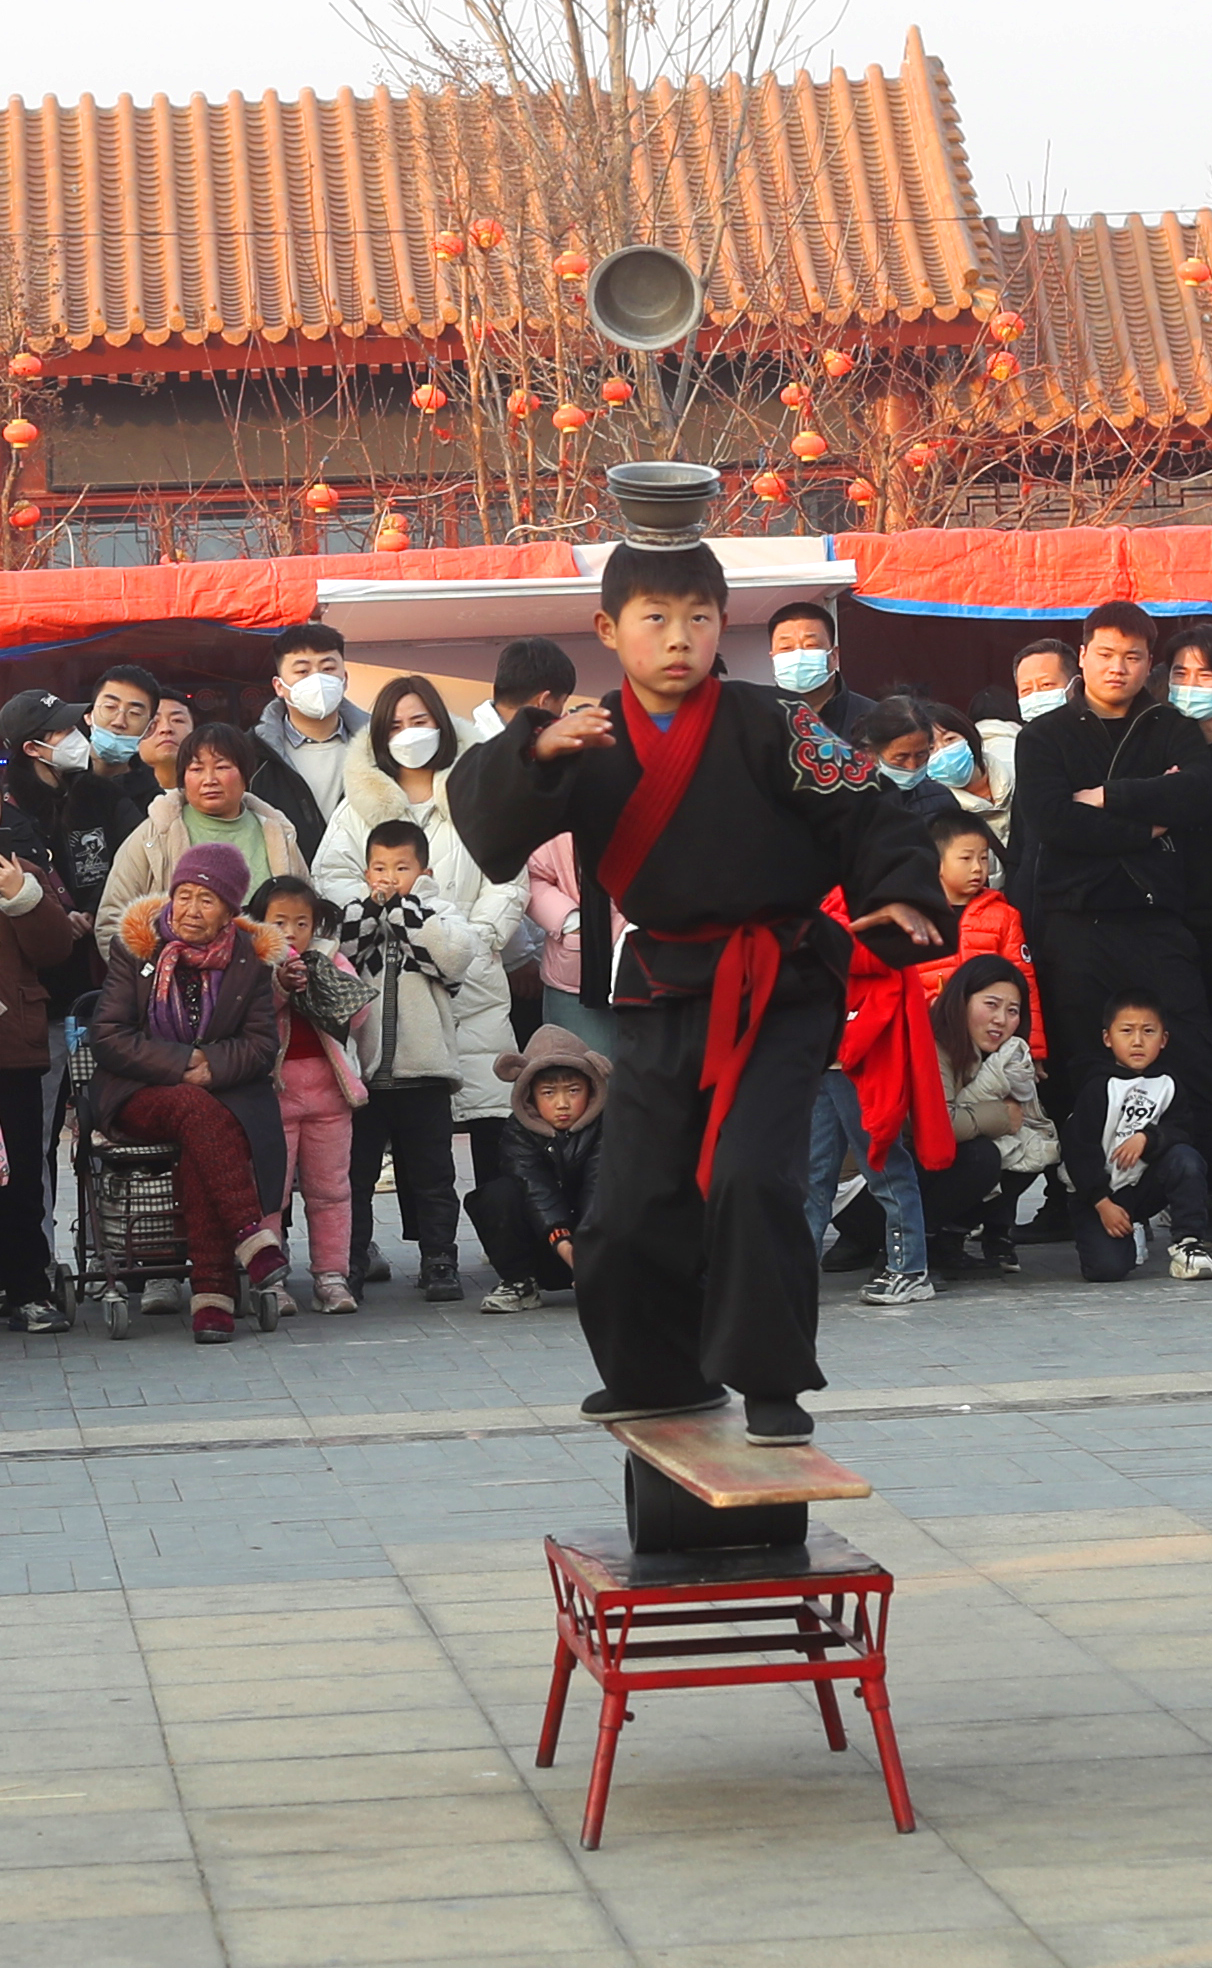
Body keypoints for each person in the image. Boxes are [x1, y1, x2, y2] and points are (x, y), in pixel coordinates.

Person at [447, 538, 954, 1447]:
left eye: (699, 618)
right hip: (660, 983)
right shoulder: (587, 736)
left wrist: (905, 892)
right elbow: (484, 822)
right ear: (609, 630)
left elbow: (867, 807)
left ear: (723, 625)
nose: (678, 638)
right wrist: (532, 750)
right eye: (654, 619)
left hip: (779, 980)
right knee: (632, 1195)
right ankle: (656, 1376)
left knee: (757, 1177)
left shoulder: (774, 722)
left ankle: (770, 1382)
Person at [1014, 600, 1212, 1162]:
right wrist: (1149, 823)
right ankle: (1077, 1191)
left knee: (1190, 1051)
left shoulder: (1171, 727)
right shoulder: (1046, 735)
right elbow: (1053, 821)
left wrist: (1109, 797)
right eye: (1104, 654)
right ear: (1082, 655)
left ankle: (1192, 1183)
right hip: (1075, 921)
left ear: (1150, 663)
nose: (1116, 668)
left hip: (1157, 919)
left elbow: (1196, 793)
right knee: (1081, 1060)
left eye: (1131, 656)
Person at [312, 676, 527, 1190]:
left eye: (420, 721)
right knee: (414, 1125)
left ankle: (504, 1242)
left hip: (471, 976)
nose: (409, 734)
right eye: (396, 726)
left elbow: (509, 873)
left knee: (490, 1112)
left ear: (442, 725)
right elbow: (332, 878)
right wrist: (383, 915)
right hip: (395, 986)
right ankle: (432, 1251)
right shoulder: (356, 809)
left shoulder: (479, 797)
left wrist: (477, 937)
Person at [89, 845, 290, 1344]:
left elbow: (262, 1044)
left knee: (202, 1135)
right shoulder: (137, 947)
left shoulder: (248, 959)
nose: (190, 910)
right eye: (184, 895)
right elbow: (110, 1035)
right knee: (194, 1109)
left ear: (230, 911)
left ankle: (213, 1300)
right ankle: (245, 1240)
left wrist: (212, 1066)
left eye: (206, 900)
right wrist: (181, 1065)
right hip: (138, 1093)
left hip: (221, 1096)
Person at [0, 688, 143, 1242]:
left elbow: (137, 862)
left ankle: (121, 1252)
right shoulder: (7, 815)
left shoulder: (101, 797)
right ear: (34, 747)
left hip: (111, 992)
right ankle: (36, 1252)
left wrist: (100, 913)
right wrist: (54, 917)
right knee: (31, 1138)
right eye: (64, 730)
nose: (79, 734)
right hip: (39, 1005)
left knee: (119, 1126)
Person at [336, 819, 478, 1303]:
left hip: (426, 1072)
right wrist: (376, 909)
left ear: (424, 871)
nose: (389, 877)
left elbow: (453, 959)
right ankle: (350, 1260)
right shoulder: (358, 913)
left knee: (433, 1176)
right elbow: (343, 952)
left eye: (401, 868)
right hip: (367, 1078)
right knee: (356, 1177)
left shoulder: (440, 913)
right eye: (379, 867)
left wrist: (402, 909)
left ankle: (440, 1260)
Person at [804, 887, 953, 1308]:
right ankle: (796, 1269)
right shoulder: (823, 903)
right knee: (813, 1175)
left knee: (885, 1169)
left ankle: (909, 1269)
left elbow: (873, 958)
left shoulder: (866, 903)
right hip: (827, 1061)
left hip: (860, 1064)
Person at [250, 875, 372, 1317]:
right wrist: (280, 986)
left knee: (331, 1190)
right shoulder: (253, 964)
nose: (291, 932)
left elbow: (358, 1014)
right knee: (271, 1193)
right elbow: (249, 1016)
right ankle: (270, 1278)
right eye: (279, 921)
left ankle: (331, 1275)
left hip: (329, 1094)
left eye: (301, 922)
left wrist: (320, 981)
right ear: (259, 922)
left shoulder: (332, 958)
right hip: (274, 1096)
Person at [95, 722, 307, 959]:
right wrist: (151, 980)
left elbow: (307, 912)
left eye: (222, 767)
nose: (209, 779)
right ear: (183, 778)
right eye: (196, 769)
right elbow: (111, 920)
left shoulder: (277, 832)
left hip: (269, 987)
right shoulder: (154, 835)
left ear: (246, 774)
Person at [1062, 989, 1212, 1283]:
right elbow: (1078, 1150)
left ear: (1164, 1039)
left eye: (1148, 1031)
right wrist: (1101, 1202)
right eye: (1127, 1031)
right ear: (1108, 1038)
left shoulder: (1168, 1084)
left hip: (1143, 1185)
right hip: (1098, 1195)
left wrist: (1148, 1138)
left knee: (1186, 1158)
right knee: (1107, 1270)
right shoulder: (1097, 1087)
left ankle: (1188, 1242)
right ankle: (1126, 1230)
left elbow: (1182, 1129)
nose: (1138, 1041)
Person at [470, 639, 578, 1046]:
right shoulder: (487, 756)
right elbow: (490, 862)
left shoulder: (492, 750)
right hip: (508, 955)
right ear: (545, 699)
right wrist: (518, 957)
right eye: (561, 706)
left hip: (536, 947)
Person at [465, 1025, 610, 1314]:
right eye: (548, 1093)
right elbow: (536, 1189)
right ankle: (520, 1282)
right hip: (549, 1246)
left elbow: (598, 1190)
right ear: (529, 1095)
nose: (562, 1104)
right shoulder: (517, 1131)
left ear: (592, 1088)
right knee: (496, 1194)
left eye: (573, 1090)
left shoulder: (608, 1125)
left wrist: (589, 1257)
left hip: (599, 1246)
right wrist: (568, 1249)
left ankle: (617, 1279)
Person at [0, 840, 74, 1333]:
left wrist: (21, 894)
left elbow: (56, 948)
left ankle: (28, 1288)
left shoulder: (17, 869)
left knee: (21, 1176)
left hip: (11, 1050)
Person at [928, 956, 1042, 1276]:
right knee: (982, 1156)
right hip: (867, 1194)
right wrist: (1001, 1115)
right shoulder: (933, 1042)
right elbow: (937, 1126)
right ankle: (912, 1244)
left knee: (1032, 1146)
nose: (1000, 1020)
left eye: (1012, 1010)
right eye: (990, 1004)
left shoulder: (1000, 1056)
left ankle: (948, 1239)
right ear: (960, 1001)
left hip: (918, 1178)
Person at [916, 812, 1047, 1059]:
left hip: (992, 1044)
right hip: (930, 1041)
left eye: (984, 858)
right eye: (966, 858)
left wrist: (1033, 1050)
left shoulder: (1003, 915)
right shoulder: (915, 915)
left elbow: (1024, 983)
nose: (978, 867)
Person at [250, 625, 369, 864]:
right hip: (286, 892)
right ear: (279, 686)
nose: (317, 679)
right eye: (302, 671)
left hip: (366, 888)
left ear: (344, 679)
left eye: (328, 668)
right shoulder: (253, 754)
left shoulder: (377, 747)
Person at [527, 833, 624, 1057]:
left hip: (652, 965)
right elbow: (531, 876)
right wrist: (571, 921)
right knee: (582, 1076)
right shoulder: (565, 811)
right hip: (577, 977)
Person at [1162, 624, 1212, 1008]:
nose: (1191, 685)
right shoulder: (1156, 740)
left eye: (1205, 675)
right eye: (1181, 673)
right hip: (1170, 918)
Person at [924, 702, 1015, 864]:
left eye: (950, 739)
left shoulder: (1019, 773)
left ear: (969, 737)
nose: (943, 751)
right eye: (930, 749)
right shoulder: (938, 812)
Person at [767, 601, 874, 739]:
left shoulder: (873, 718)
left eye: (811, 645)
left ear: (834, 656)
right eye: (786, 648)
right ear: (773, 659)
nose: (799, 656)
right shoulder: (756, 720)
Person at [853, 695, 960, 824]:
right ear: (870, 753)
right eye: (900, 757)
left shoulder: (942, 799)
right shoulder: (850, 804)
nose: (912, 766)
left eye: (921, 755)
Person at [87, 664, 160, 811]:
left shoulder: (154, 805)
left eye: (134, 713)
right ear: (88, 715)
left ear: (150, 729)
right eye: (109, 707)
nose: (119, 722)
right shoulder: (58, 781)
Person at [471, 636, 577, 739]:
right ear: (544, 701)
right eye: (563, 701)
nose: (562, 714)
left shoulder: (467, 748)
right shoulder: (514, 754)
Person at [138, 690, 195, 801]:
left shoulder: (211, 793)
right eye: (153, 722)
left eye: (177, 720)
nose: (166, 729)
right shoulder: (117, 795)